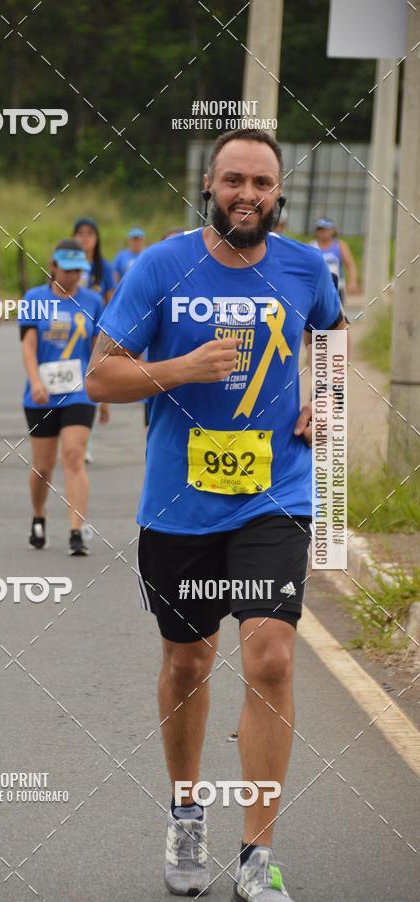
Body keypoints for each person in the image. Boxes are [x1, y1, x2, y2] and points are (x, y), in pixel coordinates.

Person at [87, 128, 347, 899]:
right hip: (179, 504)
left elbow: (330, 334)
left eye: (261, 184)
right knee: (188, 662)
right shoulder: (163, 265)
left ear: (278, 194)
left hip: (276, 495)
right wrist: (179, 368)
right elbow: (101, 377)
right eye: (234, 180)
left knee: (270, 656)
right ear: (210, 183)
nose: (247, 196)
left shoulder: (306, 266)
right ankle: (186, 810)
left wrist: (324, 400)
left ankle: (257, 857)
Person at [20, 239, 108, 556]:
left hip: (80, 392)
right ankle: (39, 516)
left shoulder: (93, 301)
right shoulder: (35, 299)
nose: (73, 276)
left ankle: (75, 529)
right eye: (68, 269)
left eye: (79, 271)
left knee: (73, 455)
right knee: (43, 465)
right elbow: (28, 346)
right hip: (42, 393)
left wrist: (105, 393)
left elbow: (99, 350)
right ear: (53, 266)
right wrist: (34, 381)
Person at [309, 218, 359, 304]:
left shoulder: (340, 245)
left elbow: (350, 265)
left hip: (337, 288)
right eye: (321, 230)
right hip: (317, 289)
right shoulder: (311, 246)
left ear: (332, 231)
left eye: (327, 230)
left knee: (338, 315)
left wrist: (352, 282)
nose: (324, 233)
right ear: (317, 231)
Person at [72, 217, 115, 303]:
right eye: (80, 233)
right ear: (73, 237)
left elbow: (111, 303)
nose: (84, 237)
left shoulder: (105, 267)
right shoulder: (63, 265)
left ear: (96, 239)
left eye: (90, 233)